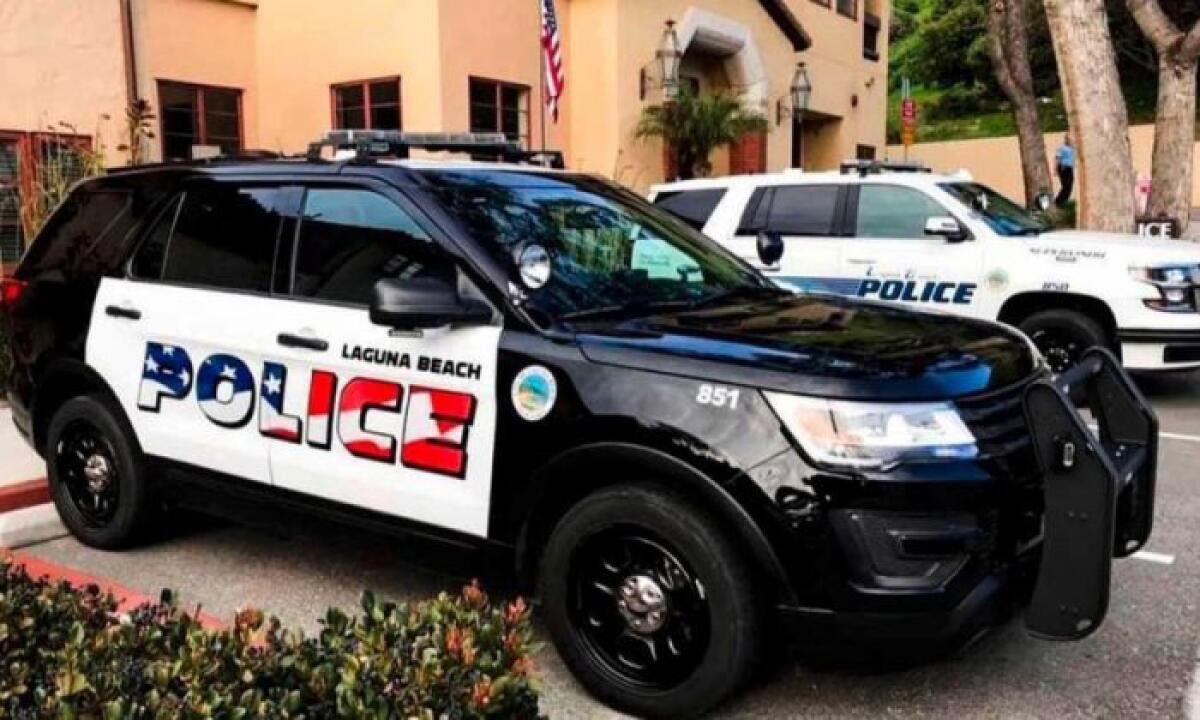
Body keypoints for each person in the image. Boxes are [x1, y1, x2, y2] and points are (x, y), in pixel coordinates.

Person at [1055, 134, 1075, 207]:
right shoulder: (1061, 148)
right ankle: (1058, 202)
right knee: (1066, 186)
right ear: (1066, 140)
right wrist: (1055, 169)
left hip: (1070, 168)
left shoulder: (1073, 148)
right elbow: (1057, 159)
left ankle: (1064, 201)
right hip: (1063, 168)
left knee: (1070, 185)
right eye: (1069, 139)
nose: (1070, 141)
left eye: (1071, 139)